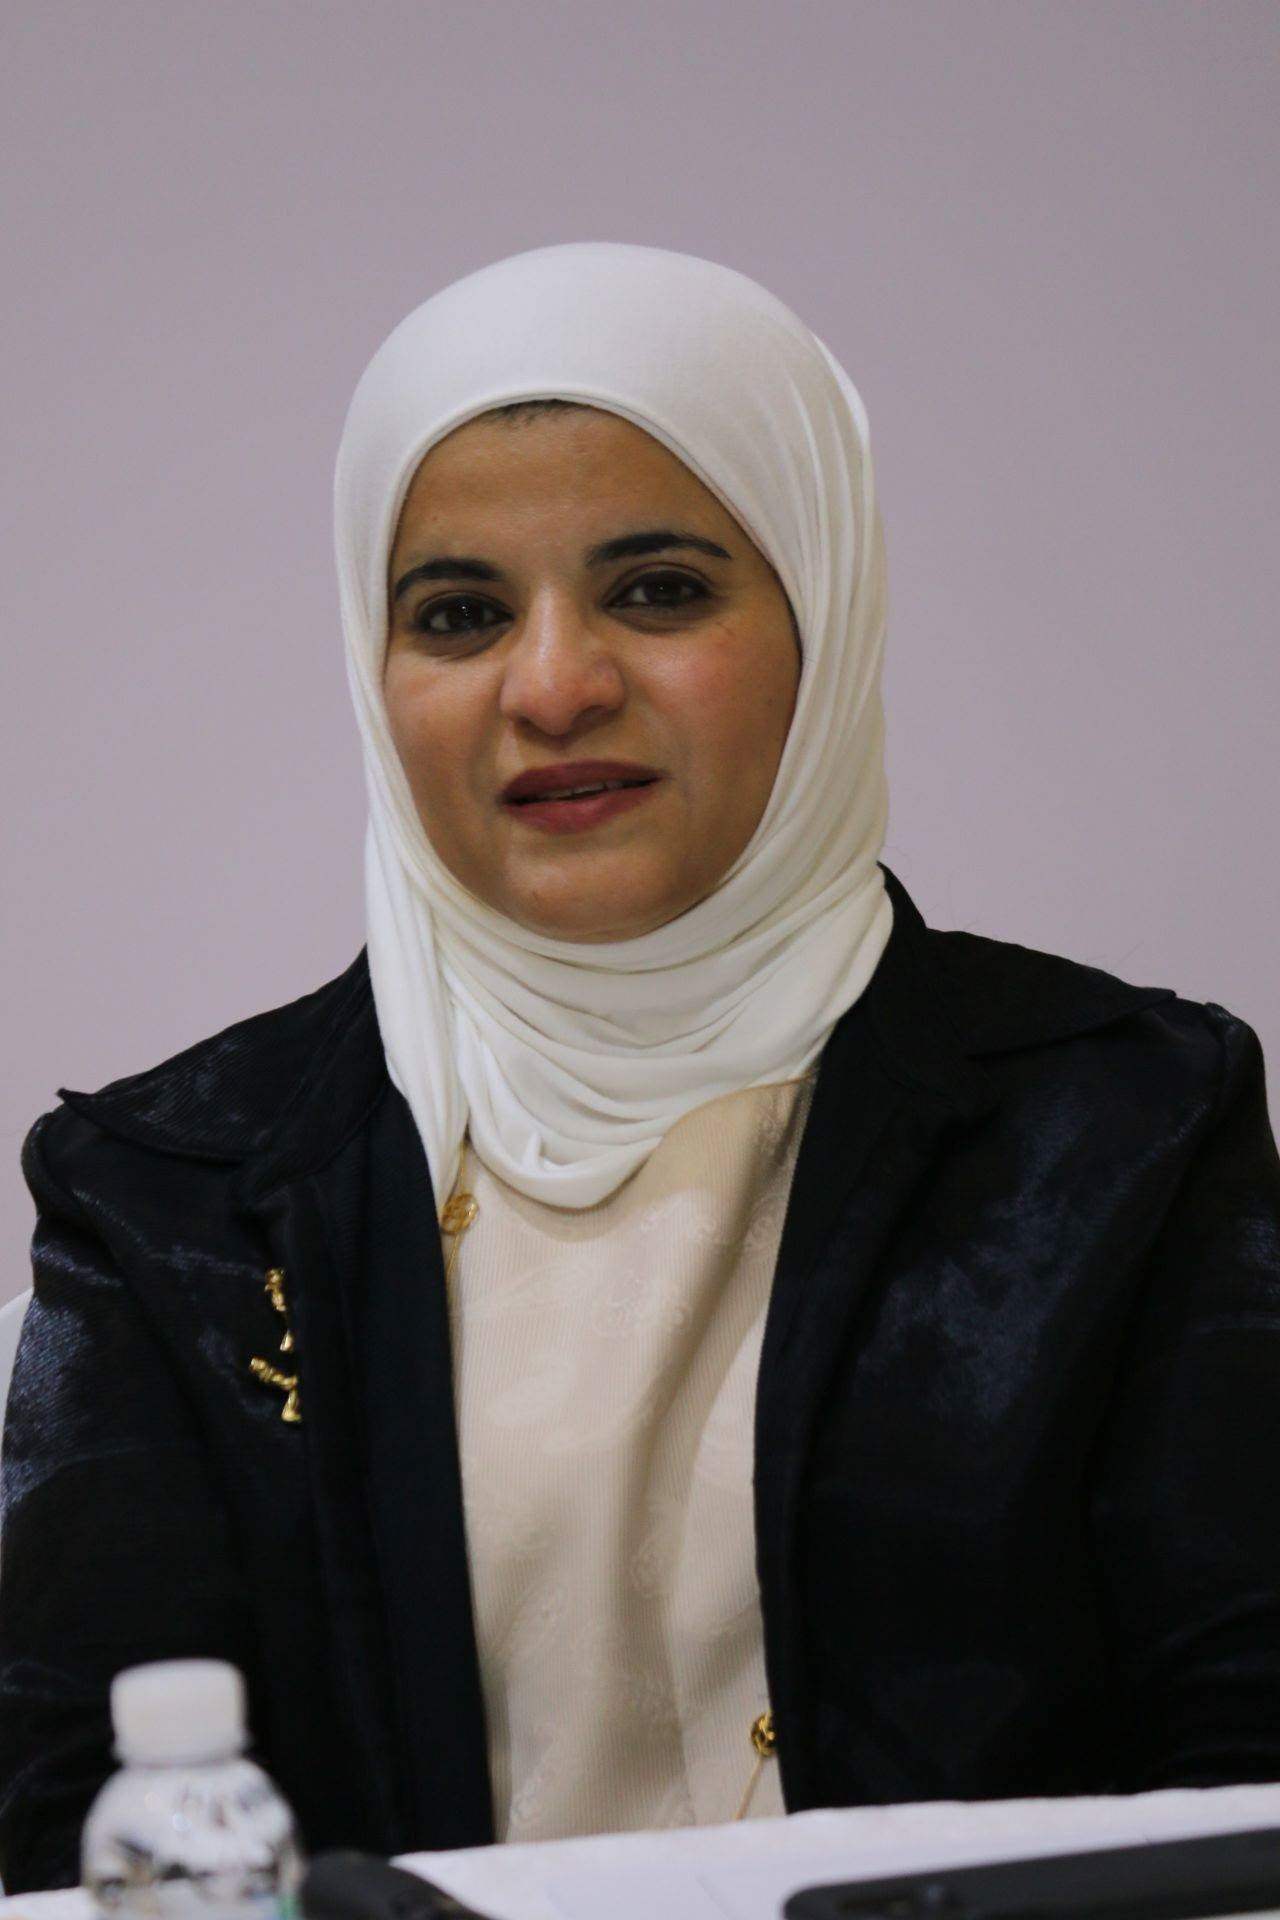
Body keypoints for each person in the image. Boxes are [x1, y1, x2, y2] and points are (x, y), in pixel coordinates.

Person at [2, 241, 1279, 1893]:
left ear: (824, 614)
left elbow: (1245, 1784)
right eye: (459, 615)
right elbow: (76, 1841)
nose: (554, 686)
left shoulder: (1120, 1129)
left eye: (659, 591)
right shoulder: (172, 1195)